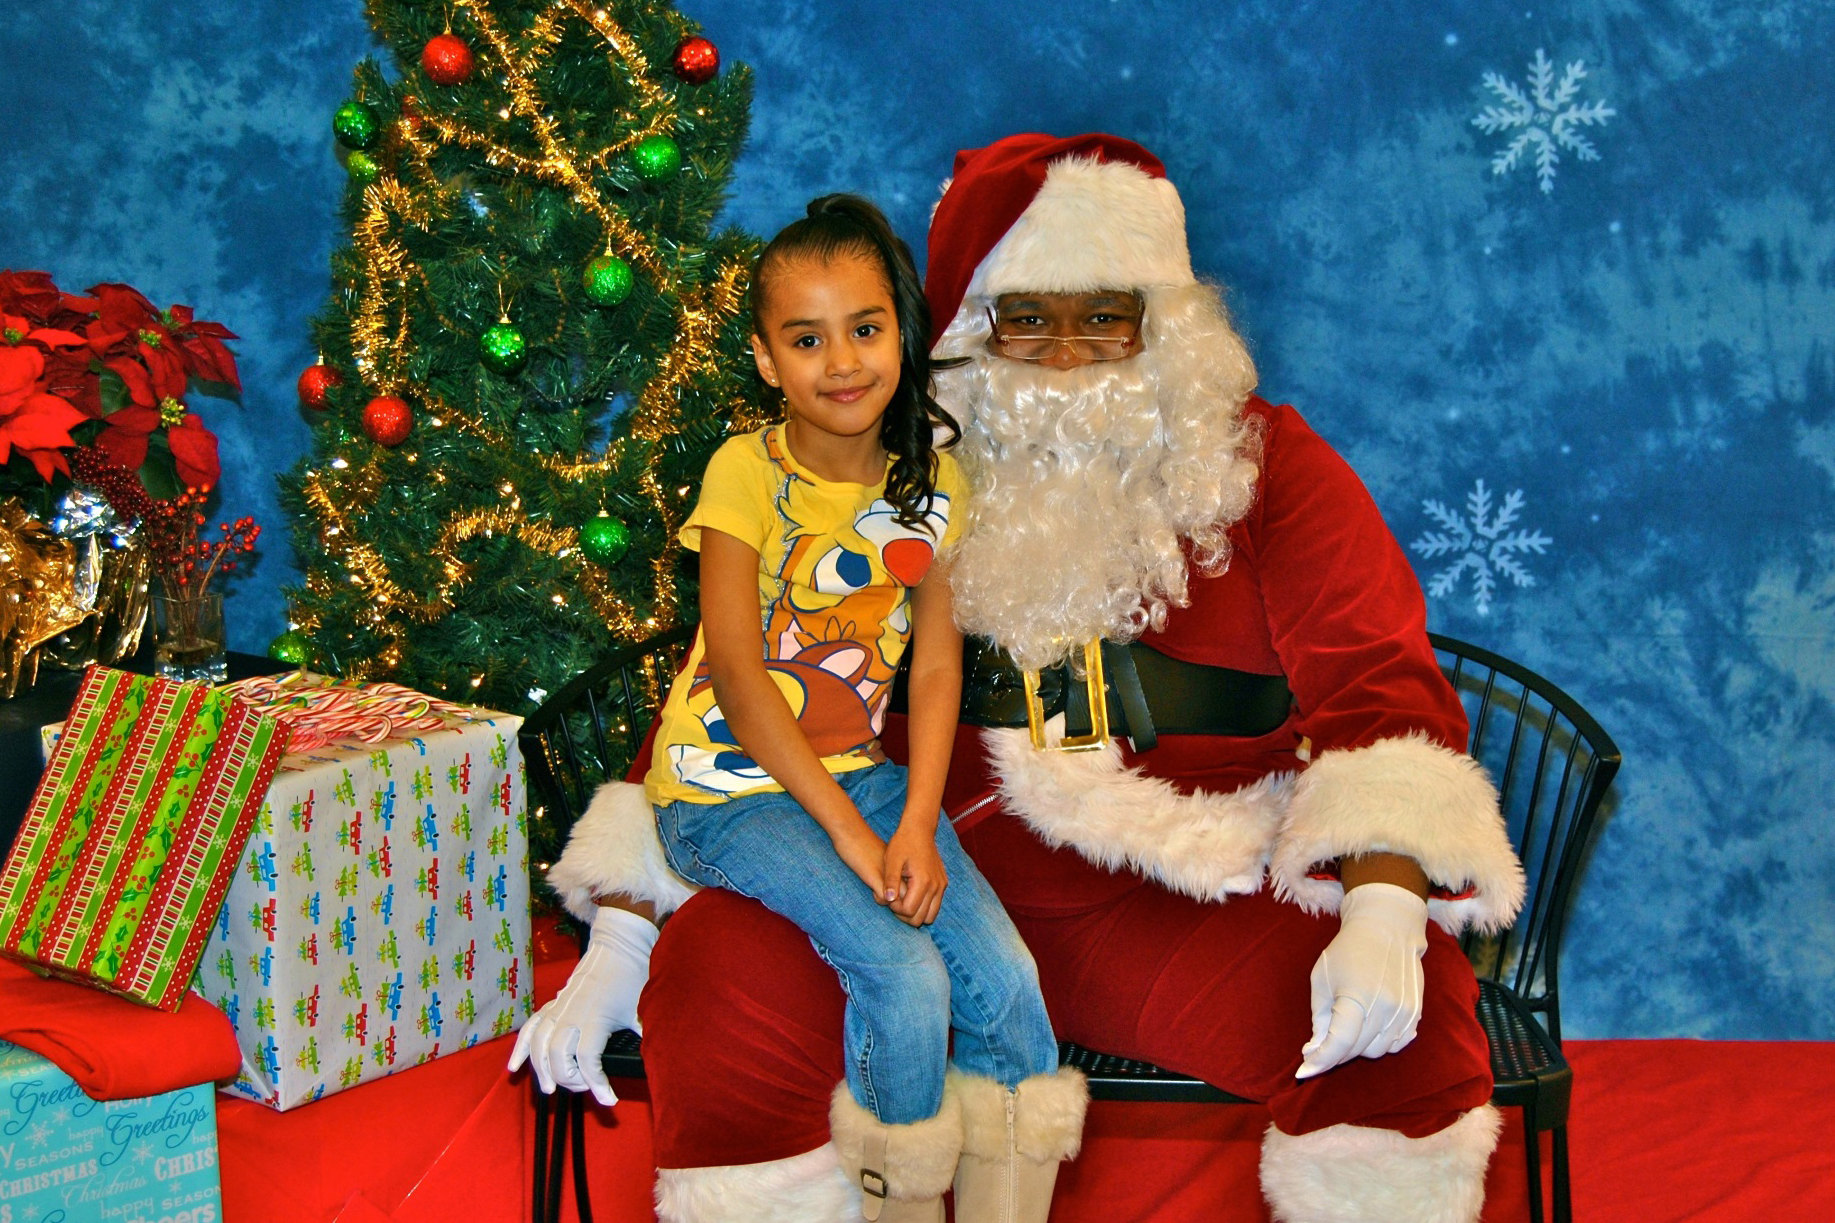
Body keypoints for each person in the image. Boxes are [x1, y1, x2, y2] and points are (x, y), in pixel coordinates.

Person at [521, 135, 1526, 1223]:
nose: (1062, 356)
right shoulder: (872, 472)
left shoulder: (1265, 467)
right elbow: (729, 683)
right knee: (724, 976)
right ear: (962, 335)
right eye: (1025, 318)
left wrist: (1380, 898)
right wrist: (625, 927)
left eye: (1103, 314)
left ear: (1164, 323)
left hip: (1171, 885)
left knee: (1403, 1037)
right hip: (908, 867)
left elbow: (1378, 685)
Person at [512, 193, 1085, 1223]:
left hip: (861, 776)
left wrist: (911, 822)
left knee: (1002, 979)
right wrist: (857, 846)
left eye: (864, 328)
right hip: (720, 793)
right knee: (905, 979)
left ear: (899, 334)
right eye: (805, 338)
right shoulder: (743, 472)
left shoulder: (931, 488)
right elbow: (736, 673)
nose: (842, 360)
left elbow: (938, 670)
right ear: (767, 359)